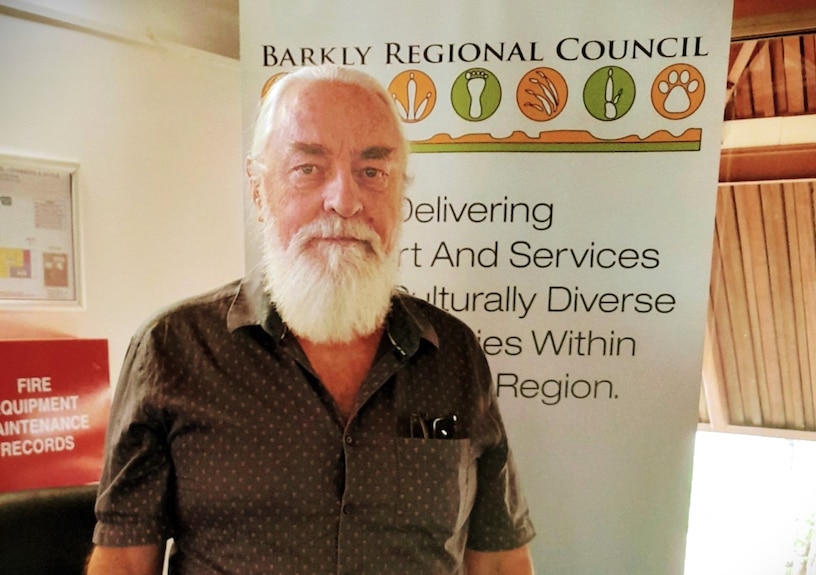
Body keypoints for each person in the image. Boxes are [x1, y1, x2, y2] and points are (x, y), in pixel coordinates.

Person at [87, 64, 535, 575]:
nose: (344, 200)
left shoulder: (452, 352)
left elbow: (499, 559)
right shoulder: (174, 348)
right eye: (308, 169)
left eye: (373, 171)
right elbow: (123, 561)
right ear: (258, 191)